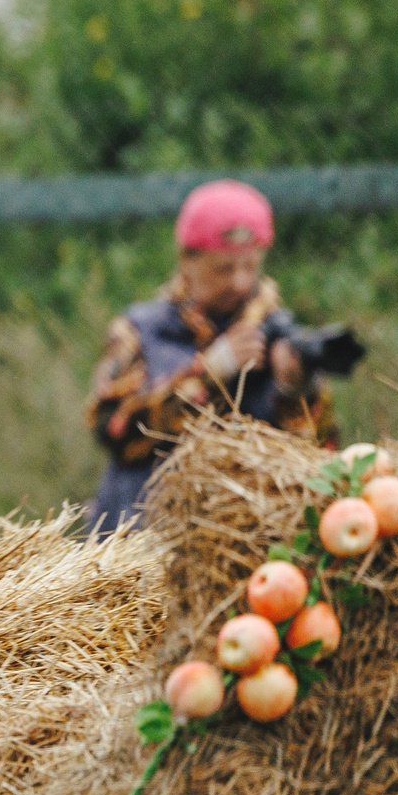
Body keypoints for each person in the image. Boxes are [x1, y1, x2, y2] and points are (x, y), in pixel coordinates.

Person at [86, 179, 334, 533]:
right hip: (141, 544)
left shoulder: (278, 334)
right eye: (224, 269)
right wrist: (210, 372)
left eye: (250, 267)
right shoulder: (142, 331)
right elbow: (113, 433)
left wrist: (296, 389)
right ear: (187, 260)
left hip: (252, 547)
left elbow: (321, 456)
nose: (239, 283)